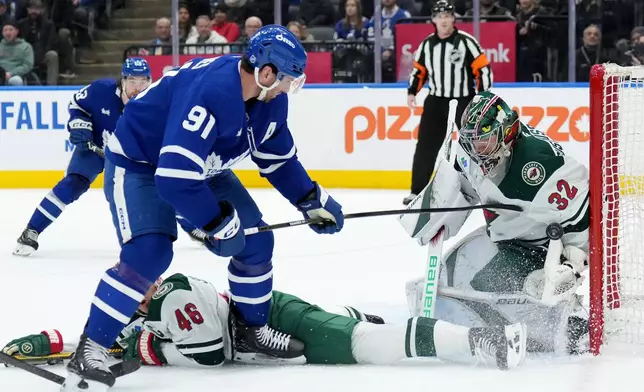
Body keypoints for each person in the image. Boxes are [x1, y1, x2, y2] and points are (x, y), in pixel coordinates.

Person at [61, 25, 345, 392]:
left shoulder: (269, 100)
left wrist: (312, 199)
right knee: (150, 252)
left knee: (256, 242)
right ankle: (91, 348)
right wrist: (216, 223)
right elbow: (174, 178)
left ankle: (248, 332)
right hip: (140, 164)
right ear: (266, 72)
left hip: (202, 167)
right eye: (288, 79)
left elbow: (277, 159)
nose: (290, 88)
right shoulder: (211, 93)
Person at [3, 272, 527, 371]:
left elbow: (211, 355)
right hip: (260, 316)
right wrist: (40, 343)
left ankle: (480, 341)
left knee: (368, 345)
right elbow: (89, 339)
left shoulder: (169, 300)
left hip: (263, 319)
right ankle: (345, 314)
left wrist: (151, 351)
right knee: (349, 327)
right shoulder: (145, 308)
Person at [400, 91, 589, 355]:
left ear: (507, 133)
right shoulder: (473, 152)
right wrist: (435, 207)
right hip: (509, 236)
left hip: (541, 247)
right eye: (472, 141)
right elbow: (464, 185)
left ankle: (574, 320)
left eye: (484, 141)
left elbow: (582, 211)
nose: (477, 150)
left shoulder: (537, 166)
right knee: (480, 284)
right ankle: (518, 328)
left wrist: (572, 263)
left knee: (532, 289)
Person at [13, 58, 152, 256]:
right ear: (122, 80)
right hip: (95, 145)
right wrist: (79, 121)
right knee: (73, 184)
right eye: (132, 81)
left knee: (142, 193)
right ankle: (32, 230)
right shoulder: (101, 90)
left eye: (143, 81)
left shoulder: (155, 102)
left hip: (127, 157)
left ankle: (185, 230)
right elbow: (77, 104)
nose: (138, 87)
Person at [403, 0, 493, 205]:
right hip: (435, 101)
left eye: (447, 16)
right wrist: (411, 92)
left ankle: (481, 189)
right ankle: (417, 190)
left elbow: (483, 69)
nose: (444, 20)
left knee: (472, 146)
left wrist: (482, 96)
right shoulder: (427, 44)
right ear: (433, 20)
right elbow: (419, 71)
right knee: (426, 146)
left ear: (453, 18)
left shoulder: (466, 42)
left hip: (464, 99)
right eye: (440, 16)